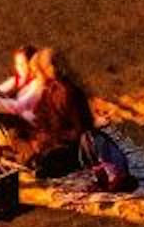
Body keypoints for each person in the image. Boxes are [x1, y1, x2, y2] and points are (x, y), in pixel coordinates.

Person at [26, 46, 97, 179]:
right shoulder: (51, 90)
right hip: (55, 141)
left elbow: (81, 130)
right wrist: (40, 136)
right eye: (48, 66)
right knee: (32, 159)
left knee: (49, 161)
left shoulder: (70, 91)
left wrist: (54, 138)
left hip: (74, 147)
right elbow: (42, 118)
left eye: (54, 64)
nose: (53, 69)